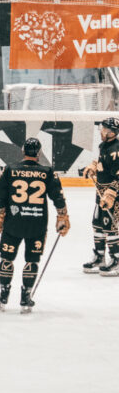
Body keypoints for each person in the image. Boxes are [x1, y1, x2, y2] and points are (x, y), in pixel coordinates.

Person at [0, 138, 69, 313]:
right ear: (39, 152)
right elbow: (57, 196)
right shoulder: (47, 171)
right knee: (32, 260)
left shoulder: (10, 170)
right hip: (37, 223)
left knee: (7, 258)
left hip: (13, 222)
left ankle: (4, 294)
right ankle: (26, 296)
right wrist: (63, 216)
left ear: (23, 151)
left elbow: (1, 196)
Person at [81, 117, 119, 276]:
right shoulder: (104, 145)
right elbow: (102, 162)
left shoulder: (116, 150)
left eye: (103, 129)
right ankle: (99, 256)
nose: (101, 131)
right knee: (97, 224)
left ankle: (116, 259)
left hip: (112, 195)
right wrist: (94, 167)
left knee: (110, 226)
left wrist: (110, 195)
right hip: (100, 193)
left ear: (112, 132)